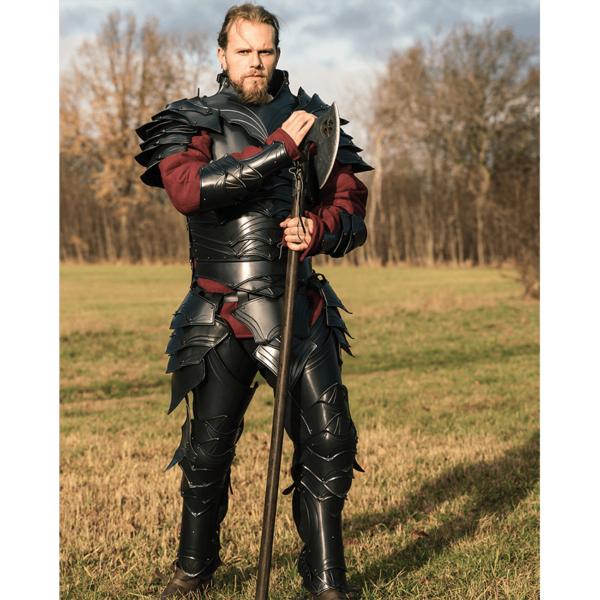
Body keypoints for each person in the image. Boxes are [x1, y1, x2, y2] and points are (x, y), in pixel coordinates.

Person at [135, 4, 371, 599]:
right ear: (222, 55)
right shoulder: (188, 120)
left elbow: (352, 208)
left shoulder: (315, 120)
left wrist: (318, 229)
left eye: (265, 51)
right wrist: (277, 152)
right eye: (244, 51)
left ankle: (325, 583)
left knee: (330, 441)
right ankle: (193, 570)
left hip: (299, 304)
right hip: (216, 313)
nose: (256, 62)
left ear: (278, 53)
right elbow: (190, 191)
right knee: (207, 452)